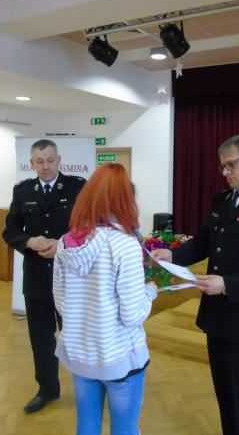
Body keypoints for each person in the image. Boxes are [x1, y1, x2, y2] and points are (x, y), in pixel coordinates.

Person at [152, 135, 239, 435]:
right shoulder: (223, 200)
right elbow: (205, 242)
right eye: (222, 167)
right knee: (226, 393)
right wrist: (173, 255)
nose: (226, 172)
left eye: (231, 165)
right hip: (217, 315)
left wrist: (227, 284)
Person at [53, 163, 157, 435]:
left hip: (82, 355)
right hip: (119, 356)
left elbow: (62, 303)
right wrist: (150, 291)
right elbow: (132, 315)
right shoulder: (124, 244)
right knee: (125, 429)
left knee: (87, 427)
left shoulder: (65, 242)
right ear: (125, 200)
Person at [3, 139, 86, 414]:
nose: (46, 166)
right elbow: (10, 231)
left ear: (59, 160)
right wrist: (29, 241)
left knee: (76, 338)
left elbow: (89, 228)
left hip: (70, 278)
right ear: (32, 164)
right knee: (41, 338)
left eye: (50, 160)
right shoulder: (23, 191)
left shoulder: (77, 187)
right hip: (37, 279)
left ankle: (88, 389)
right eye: (40, 161)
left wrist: (61, 245)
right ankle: (47, 390)